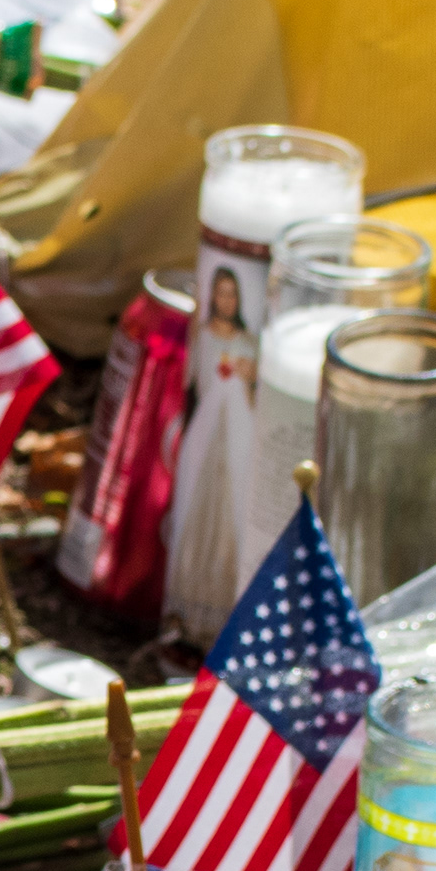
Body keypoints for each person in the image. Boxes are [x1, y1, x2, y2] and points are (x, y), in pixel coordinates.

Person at [162, 260, 259, 640]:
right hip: (206, 435)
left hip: (237, 438)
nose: (227, 300)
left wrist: (246, 378)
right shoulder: (200, 336)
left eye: (232, 293)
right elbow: (193, 387)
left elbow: (253, 405)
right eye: (220, 292)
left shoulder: (248, 345)